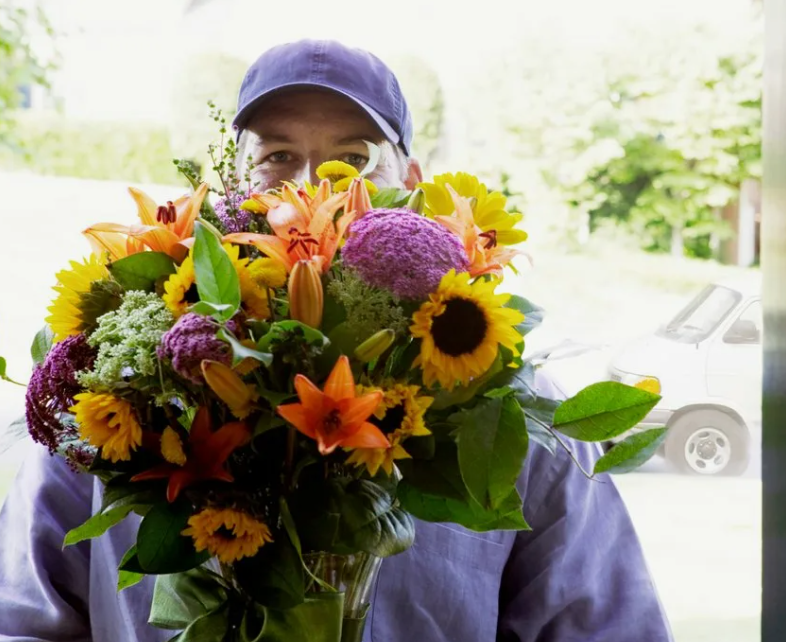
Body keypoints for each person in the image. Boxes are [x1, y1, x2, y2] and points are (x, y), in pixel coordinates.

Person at [0, 39, 673, 641]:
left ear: (411, 185)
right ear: (231, 184)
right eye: (277, 156)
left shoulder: (508, 412)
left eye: (355, 157)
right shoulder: (116, 399)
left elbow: (608, 624)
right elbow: (24, 618)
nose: (313, 187)